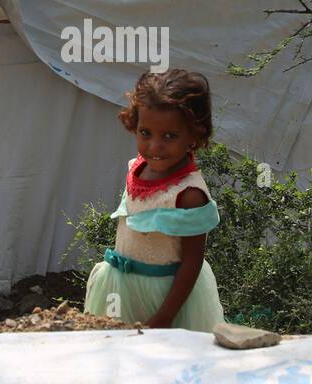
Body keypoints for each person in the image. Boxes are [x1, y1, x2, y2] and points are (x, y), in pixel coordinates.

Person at [83, 68, 226, 331]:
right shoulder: (137, 167)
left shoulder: (189, 194)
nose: (154, 147)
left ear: (195, 135)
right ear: (133, 125)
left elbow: (192, 262)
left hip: (163, 299)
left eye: (169, 136)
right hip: (118, 288)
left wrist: (164, 317)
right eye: (145, 133)